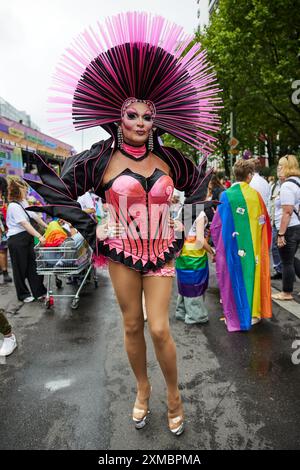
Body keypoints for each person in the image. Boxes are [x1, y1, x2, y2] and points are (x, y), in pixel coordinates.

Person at [26, 12, 221, 435]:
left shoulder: (171, 159)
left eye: (146, 118)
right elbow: (57, 190)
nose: (138, 124)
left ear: (156, 121)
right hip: (120, 251)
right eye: (131, 116)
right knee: (132, 324)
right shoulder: (100, 158)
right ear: (118, 116)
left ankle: (173, 394)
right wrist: (92, 227)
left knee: (159, 326)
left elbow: (203, 187)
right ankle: (142, 389)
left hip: (162, 248)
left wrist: (192, 219)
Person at [211, 159, 272, 331]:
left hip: (232, 247)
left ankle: (235, 313)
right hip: (252, 247)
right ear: (249, 176)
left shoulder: (226, 195)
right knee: (251, 277)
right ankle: (253, 314)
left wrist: (218, 246)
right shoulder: (256, 196)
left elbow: (217, 224)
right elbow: (264, 221)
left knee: (233, 278)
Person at [6, 179, 48, 303]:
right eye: (24, 189)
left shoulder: (23, 202)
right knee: (20, 268)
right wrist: (39, 236)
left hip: (27, 237)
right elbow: (25, 224)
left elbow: (34, 216)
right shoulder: (13, 206)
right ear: (18, 191)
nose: (26, 191)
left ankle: (39, 291)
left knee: (34, 265)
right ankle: (23, 294)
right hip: (17, 239)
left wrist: (47, 226)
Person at [175, 206, 214, 325]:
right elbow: (200, 241)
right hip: (195, 255)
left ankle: (181, 311)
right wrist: (212, 252)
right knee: (195, 285)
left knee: (184, 283)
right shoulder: (200, 214)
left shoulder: (183, 209)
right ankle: (195, 315)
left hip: (182, 252)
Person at [271, 155, 300, 301]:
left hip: (288, 228)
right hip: (296, 226)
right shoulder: (297, 182)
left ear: (287, 167)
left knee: (286, 262)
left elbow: (287, 212)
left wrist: (281, 234)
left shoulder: (288, 185)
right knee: (291, 258)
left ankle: (286, 293)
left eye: (280, 166)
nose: (278, 168)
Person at [268, 169, 286, 280]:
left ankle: (288, 271)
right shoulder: (274, 186)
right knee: (274, 247)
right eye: (278, 170)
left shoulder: (289, 185)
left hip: (286, 222)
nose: (279, 173)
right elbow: (270, 202)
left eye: (281, 170)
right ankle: (279, 269)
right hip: (275, 221)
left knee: (287, 249)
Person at [0, 177, 13, 283]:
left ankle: (4, 272)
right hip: (4, 227)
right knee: (2, 250)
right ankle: (4, 271)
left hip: (5, 227)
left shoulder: (6, 197)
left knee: (3, 249)